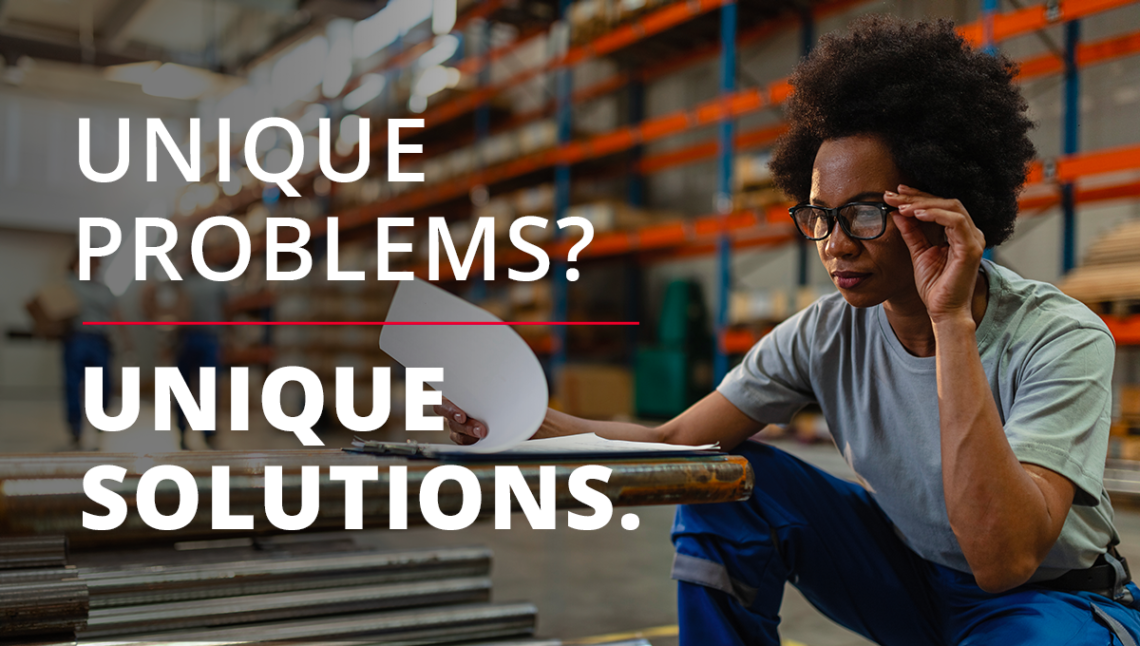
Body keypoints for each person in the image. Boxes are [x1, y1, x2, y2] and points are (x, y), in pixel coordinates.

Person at [436, 16, 1139, 645]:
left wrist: (950, 321)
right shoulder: (825, 332)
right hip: (912, 583)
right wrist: (524, 420)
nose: (834, 243)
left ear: (938, 204)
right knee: (730, 479)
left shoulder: (1059, 337)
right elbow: (675, 442)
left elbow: (1001, 559)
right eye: (818, 217)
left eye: (864, 213)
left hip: (1045, 605)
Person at [62, 254, 127, 449]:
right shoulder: (69, 285)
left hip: (100, 341)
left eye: (97, 262)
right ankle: (75, 427)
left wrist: (127, 341)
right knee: (73, 384)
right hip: (76, 338)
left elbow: (117, 315)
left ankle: (100, 421)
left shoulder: (104, 289)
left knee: (103, 384)